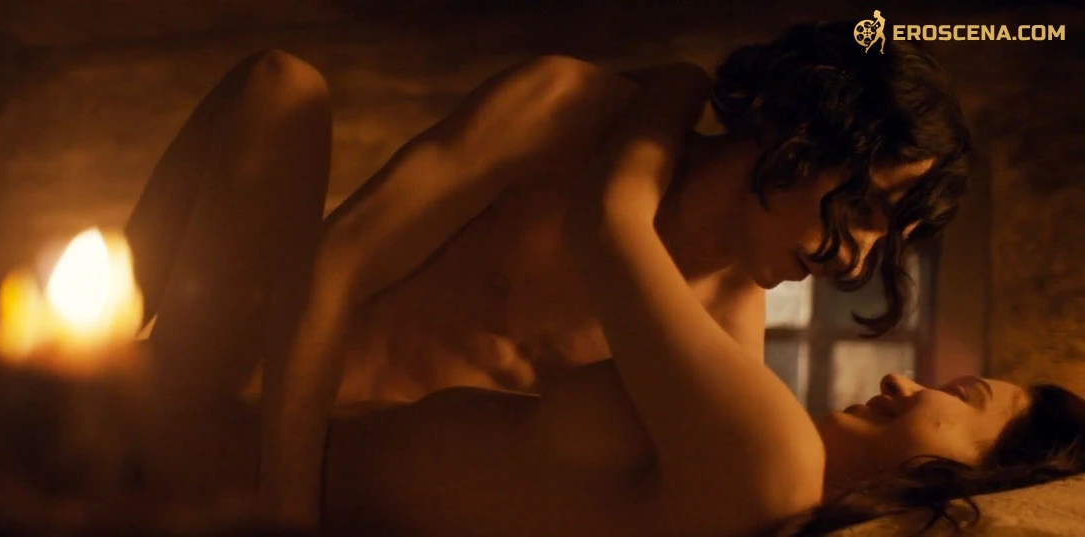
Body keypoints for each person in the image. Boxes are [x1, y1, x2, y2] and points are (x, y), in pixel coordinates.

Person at [108, 21, 1083, 535]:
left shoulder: (730, 331)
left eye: (889, 239)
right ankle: (107, 343)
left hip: (360, 474)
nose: (859, 258)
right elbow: (337, 264)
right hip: (252, 375)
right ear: (809, 131)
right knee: (282, 86)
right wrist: (282, 515)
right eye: (865, 207)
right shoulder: (569, 111)